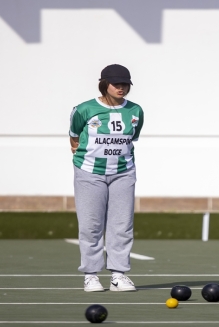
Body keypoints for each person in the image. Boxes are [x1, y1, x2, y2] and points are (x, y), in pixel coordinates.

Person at [69, 64, 144, 292]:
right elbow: (74, 138)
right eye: (116, 84)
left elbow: (132, 139)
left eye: (125, 84)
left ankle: (118, 276)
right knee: (91, 225)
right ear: (104, 84)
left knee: (122, 225)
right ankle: (91, 276)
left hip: (124, 173)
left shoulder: (136, 111)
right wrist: (86, 162)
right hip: (89, 173)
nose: (121, 88)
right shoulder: (84, 109)